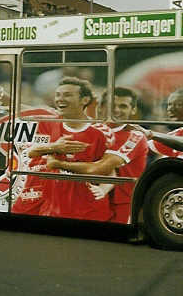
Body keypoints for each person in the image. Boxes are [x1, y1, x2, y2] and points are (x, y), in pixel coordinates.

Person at [12, 77, 113, 221]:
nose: (60, 99)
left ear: (84, 100)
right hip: (53, 208)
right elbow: (31, 152)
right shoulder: (47, 123)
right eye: (58, 95)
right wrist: (55, 147)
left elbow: (110, 170)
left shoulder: (100, 133)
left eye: (67, 95)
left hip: (89, 210)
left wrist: (103, 188)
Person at [48, 87, 149, 224]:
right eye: (111, 105)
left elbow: (99, 168)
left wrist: (57, 164)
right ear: (102, 107)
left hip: (123, 204)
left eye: (123, 106)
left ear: (133, 110)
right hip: (88, 204)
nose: (116, 110)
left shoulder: (134, 136)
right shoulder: (90, 130)